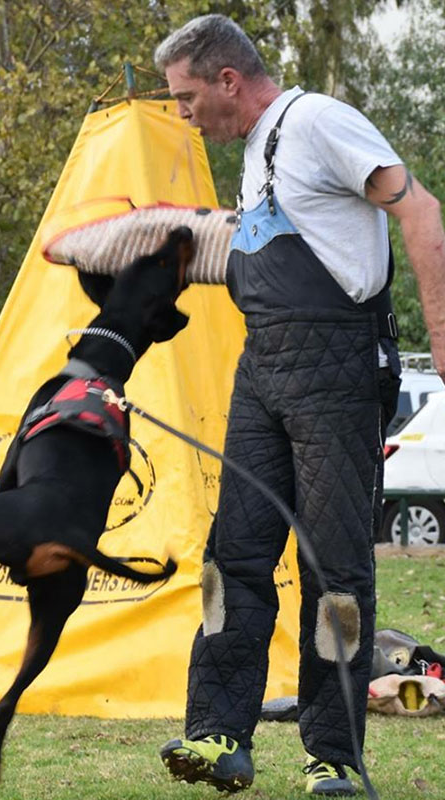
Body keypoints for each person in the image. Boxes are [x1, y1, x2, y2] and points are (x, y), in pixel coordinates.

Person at [153, 13, 445, 797]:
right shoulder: (255, 154)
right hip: (264, 367)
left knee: (336, 572)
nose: (182, 114)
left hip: (340, 369)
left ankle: (334, 756)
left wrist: (444, 343)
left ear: (227, 81)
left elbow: (421, 212)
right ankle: (218, 734)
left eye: (186, 97)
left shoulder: (317, 121)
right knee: (233, 558)